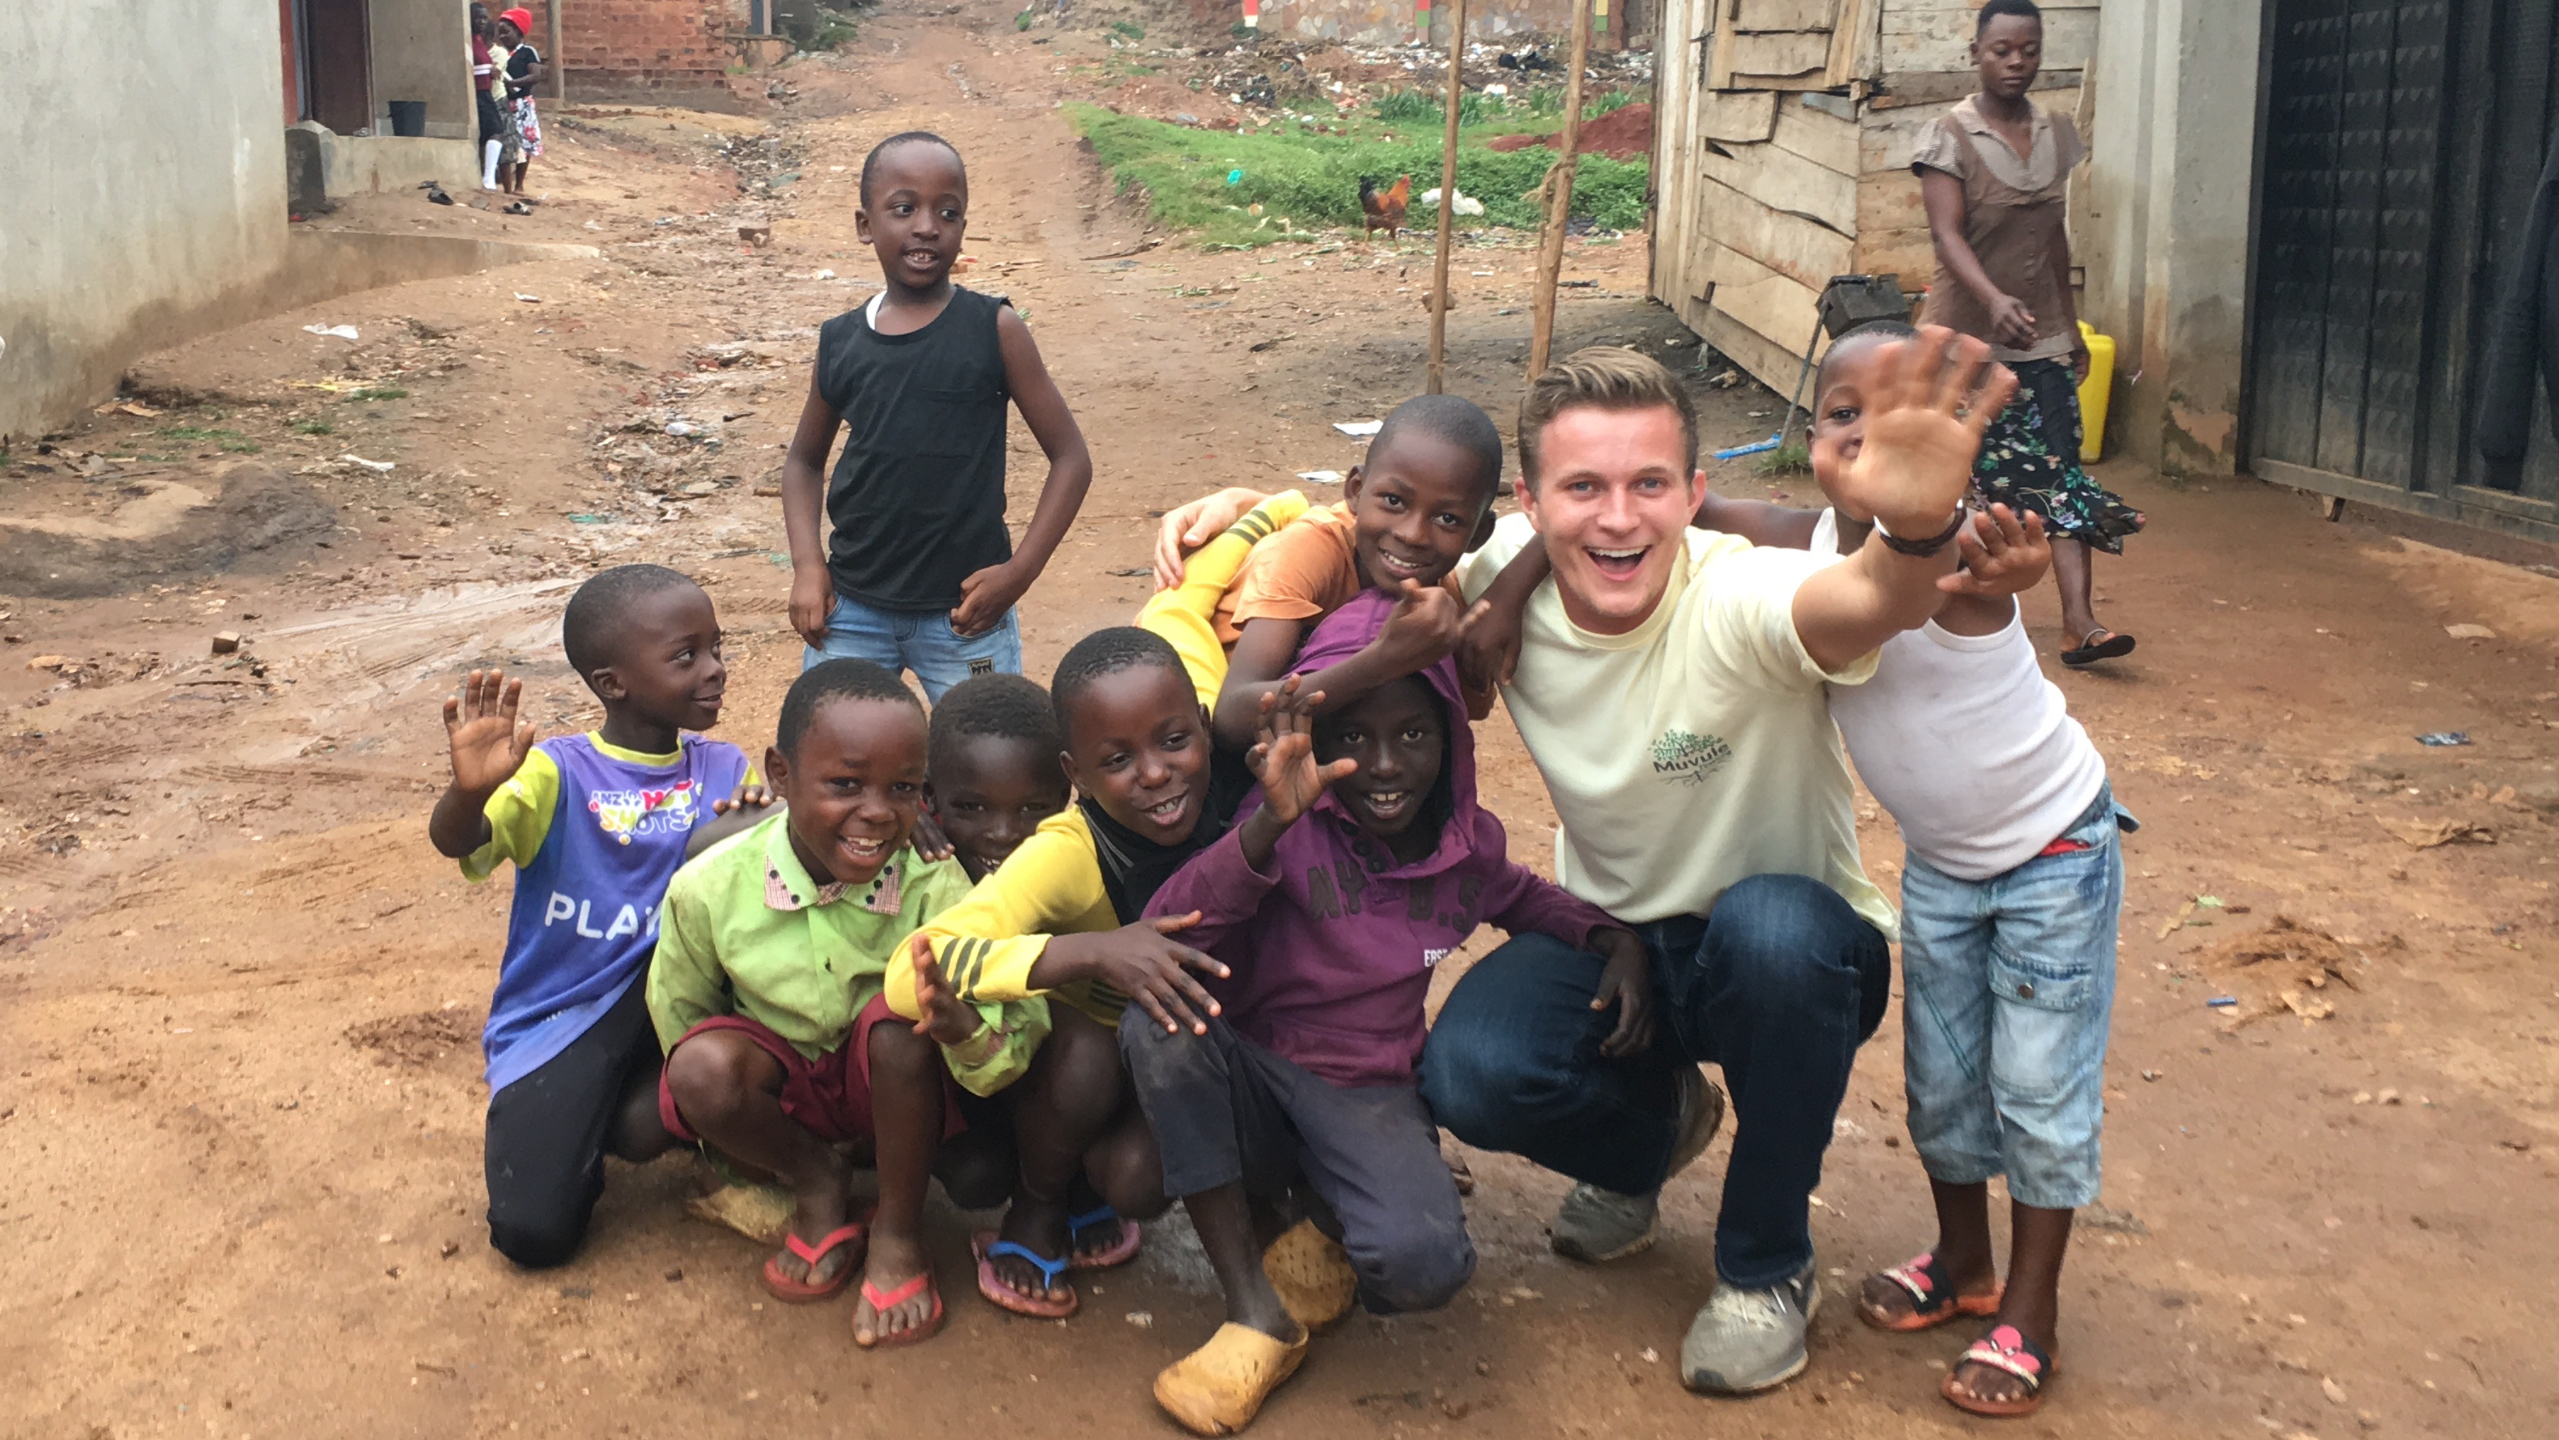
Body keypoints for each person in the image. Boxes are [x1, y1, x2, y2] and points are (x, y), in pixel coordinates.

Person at [1420, 337, 2020, 1397]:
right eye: (1583, 488)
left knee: (1774, 936)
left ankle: (1765, 1268)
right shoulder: (1497, 568)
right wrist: (1232, 519)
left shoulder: (1738, 594)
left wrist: (1918, 528)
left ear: (1696, 492)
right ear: (1528, 503)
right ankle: (1655, 1132)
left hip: (1790, 953)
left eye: (1650, 484)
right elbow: (1353, 532)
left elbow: (1867, 599)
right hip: (1616, 946)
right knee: (1471, 1069)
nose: (1618, 518)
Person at [1127, 597, 1641, 1435]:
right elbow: (1170, 929)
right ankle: (1254, 1307)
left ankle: (1319, 1210)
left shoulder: (1464, 846)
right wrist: (1267, 826)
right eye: (1352, 738)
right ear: (1316, 741)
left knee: (1421, 1266)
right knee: (1160, 1020)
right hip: (1251, 1070)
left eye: (1413, 734)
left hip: (1365, 1089)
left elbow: (1521, 895)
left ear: (1451, 740)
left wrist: (1609, 937)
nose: (1384, 765)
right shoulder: (1284, 821)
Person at [1806, 324, 2129, 1419]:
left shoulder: (1963, 553)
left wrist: (2012, 569)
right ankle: (1963, 1263)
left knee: (2036, 1089)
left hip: (2052, 855)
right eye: (1841, 414)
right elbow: (1697, 520)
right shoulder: (1807, 546)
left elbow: (1962, 565)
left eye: (1901, 419)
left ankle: (2031, 1309)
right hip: (1945, 867)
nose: (1867, 438)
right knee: (1942, 1081)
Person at [649, 659, 1051, 1347]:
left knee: (898, 1021)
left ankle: (898, 1229)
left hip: (900, 1094)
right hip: (790, 1096)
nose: (876, 811)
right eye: (845, 784)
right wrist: (732, 1143)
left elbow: (1012, 1024)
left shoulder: (936, 884)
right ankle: (816, 1179)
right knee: (698, 1067)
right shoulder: (709, 887)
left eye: (902, 788)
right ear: (779, 776)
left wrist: (961, 1031)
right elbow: (679, 1015)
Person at [425, 564, 758, 1268]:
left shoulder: (725, 769)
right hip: (567, 1015)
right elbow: (461, 840)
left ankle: (711, 1122)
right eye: (686, 656)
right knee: (533, 1234)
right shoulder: (558, 772)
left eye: (716, 648)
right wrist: (468, 794)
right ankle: (615, 1115)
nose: (715, 669)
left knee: (709, 930)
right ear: (613, 682)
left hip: (682, 997)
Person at [905, 627, 1238, 1316]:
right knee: (1088, 1054)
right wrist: (1090, 952)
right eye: (1117, 759)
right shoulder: (1065, 853)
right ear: (1076, 777)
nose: (1155, 773)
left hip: (1168, 1051)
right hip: (1057, 1071)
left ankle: (1090, 1189)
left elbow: (1188, 607)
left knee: (1137, 1180)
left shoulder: (1234, 787)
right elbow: (913, 968)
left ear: (1204, 728)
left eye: (1175, 741)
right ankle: (1038, 1204)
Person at [781, 132, 1094, 701]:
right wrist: (807, 566)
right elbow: (803, 461)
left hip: (966, 616)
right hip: (851, 610)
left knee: (987, 745)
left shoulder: (994, 329)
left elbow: (1071, 459)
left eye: (947, 213)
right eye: (904, 209)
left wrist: (1018, 573)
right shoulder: (841, 341)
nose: (927, 227)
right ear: (865, 225)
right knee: (837, 742)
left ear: (963, 227)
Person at [1916, 0, 2144, 666]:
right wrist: (1991, 301)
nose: (2016, 63)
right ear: (1975, 55)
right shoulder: (1948, 137)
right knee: (1957, 480)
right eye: (2001, 51)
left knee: (2059, 473)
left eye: (2029, 50)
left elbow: (2052, 237)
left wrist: (2067, 324)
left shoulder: (2054, 133)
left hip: (2039, 338)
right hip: (1963, 343)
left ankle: (2080, 624)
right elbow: (1945, 235)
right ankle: (1933, 609)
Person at [1200, 394, 1502, 751]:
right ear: (1356, 490)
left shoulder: (1442, 603)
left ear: (1479, 534)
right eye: (1394, 501)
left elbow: (1465, 710)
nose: (1412, 534)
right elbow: (1231, 717)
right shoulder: (1307, 551)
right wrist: (1382, 662)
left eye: (1447, 519)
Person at [925, 673, 1073, 882]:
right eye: (973, 807)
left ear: (1063, 799)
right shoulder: (903, 870)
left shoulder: (1081, 874)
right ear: (929, 795)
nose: (1003, 834)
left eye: (1031, 808)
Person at [491, 8, 544, 207]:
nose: (503, 36)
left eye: (507, 32)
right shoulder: (500, 53)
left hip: (522, 104)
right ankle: (506, 182)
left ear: (519, 31)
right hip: (504, 101)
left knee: (524, 143)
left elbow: (535, 75)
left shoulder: (527, 52)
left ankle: (519, 183)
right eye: (500, 33)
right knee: (506, 140)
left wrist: (512, 83)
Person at [470, 4, 504, 192]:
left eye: (485, 18)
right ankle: (488, 178)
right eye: (478, 18)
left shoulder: (479, 40)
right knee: (495, 131)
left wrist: (491, 70)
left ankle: (487, 176)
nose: (482, 22)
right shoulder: (468, 42)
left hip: (485, 90)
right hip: (478, 92)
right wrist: (487, 69)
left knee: (489, 134)